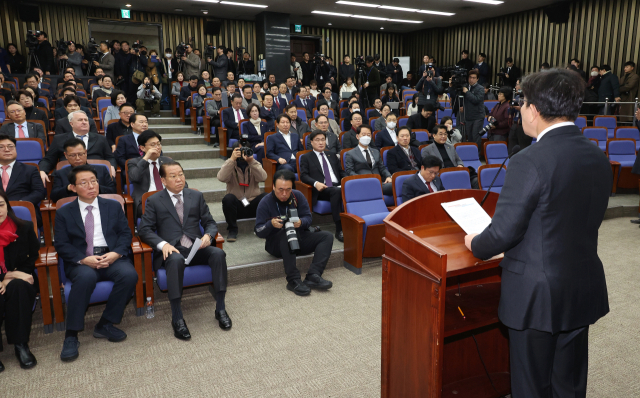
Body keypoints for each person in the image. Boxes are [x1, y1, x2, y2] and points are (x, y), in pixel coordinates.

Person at [463, 68, 611, 398]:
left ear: (535, 109)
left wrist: (475, 242)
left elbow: (502, 234)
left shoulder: (529, 160)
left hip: (536, 295)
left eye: (523, 102)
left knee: (532, 386)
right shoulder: (598, 157)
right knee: (569, 384)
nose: (520, 110)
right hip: (581, 284)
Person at [54, 164, 138, 362]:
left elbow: (125, 234)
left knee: (129, 275)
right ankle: (71, 335)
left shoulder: (113, 205)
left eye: (94, 181)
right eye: (84, 183)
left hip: (111, 256)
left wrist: (116, 253)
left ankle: (106, 323)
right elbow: (61, 244)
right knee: (85, 278)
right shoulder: (65, 212)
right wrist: (84, 259)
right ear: (73, 188)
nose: (91, 186)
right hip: (82, 261)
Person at [139, 161, 231, 339]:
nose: (179, 179)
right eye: (173, 176)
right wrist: (163, 244)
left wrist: (208, 236)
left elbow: (210, 222)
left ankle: (220, 308)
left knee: (218, 253)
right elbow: (144, 230)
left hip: (196, 247)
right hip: (172, 250)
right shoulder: (154, 200)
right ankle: (177, 317)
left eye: (180, 174)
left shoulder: (195, 196)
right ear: (163, 180)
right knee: (175, 260)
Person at [255, 169, 334, 296]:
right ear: (274, 186)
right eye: (281, 189)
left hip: (298, 238)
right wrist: (271, 224)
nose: (284, 193)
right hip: (276, 243)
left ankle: (313, 275)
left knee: (327, 236)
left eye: (288, 189)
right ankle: (293, 280)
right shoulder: (265, 202)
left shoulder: (298, 196)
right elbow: (258, 230)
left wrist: (301, 222)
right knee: (287, 232)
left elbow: (308, 218)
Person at [0, 191, 41, 370]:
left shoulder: (23, 227)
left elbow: (32, 256)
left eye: (1, 205)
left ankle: (20, 344)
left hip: (21, 276)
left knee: (18, 287)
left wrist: (13, 276)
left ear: (7, 206)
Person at [41, 111, 116, 186]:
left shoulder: (100, 138)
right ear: (71, 124)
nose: (84, 122)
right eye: (80, 120)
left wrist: (111, 166)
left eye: (86, 120)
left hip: (97, 174)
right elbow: (49, 159)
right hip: (69, 175)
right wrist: (42, 170)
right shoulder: (59, 139)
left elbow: (110, 157)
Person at [299, 130, 345, 242]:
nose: (321, 142)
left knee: (347, 189)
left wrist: (347, 181)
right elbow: (303, 176)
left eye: (323, 140)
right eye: (317, 140)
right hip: (322, 188)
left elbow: (341, 171)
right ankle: (339, 229)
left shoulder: (332, 155)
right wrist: (316, 183)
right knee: (336, 192)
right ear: (311, 142)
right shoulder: (306, 157)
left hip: (337, 186)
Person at [217, 142, 267, 242]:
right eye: (239, 151)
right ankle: (232, 229)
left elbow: (263, 177)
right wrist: (231, 160)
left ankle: (260, 227)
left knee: (266, 197)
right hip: (237, 207)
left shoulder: (254, 163)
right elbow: (221, 177)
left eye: (245, 150)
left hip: (252, 204)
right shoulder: (230, 164)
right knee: (228, 199)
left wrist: (251, 161)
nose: (242, 153)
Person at [51, 139, 116, 202]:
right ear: (66, 155)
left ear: (85, 152)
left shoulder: (102, 169)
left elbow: (113, 191)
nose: (77, 158)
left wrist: (94, 186)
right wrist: (69, 188)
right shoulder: (61, 173)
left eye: (80, 154)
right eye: (73, 155)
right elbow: (54, 196)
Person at [0, 134, 46, 220]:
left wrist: (21, 204)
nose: (7, 150)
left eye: (10, 147)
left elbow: (39, 192)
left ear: (16, 150)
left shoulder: (30, 170)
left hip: (23, 213)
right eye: (1, 147)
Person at [126, 131, 172, 216]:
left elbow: (182, 182)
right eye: (153, 145)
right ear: (142, 148)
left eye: (158, 144)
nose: (157, 147)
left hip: (169, 197)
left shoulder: (168, 161)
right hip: (147, 200)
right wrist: (146, 157)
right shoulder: (134, 162)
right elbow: (134, 177)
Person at [344, 125, 393, 196]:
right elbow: (349, 171)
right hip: (362, 183)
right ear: (357, 136)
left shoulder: (376, 152)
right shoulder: (351, 153)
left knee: (396, 185)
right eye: (363, 134)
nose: (366, 137)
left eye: (368, 134)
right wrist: (362, 179)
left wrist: (388, 176)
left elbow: (382, 168)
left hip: (378, 182)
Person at [458, 69, 486, 152]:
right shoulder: (465, 86)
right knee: (469, 137)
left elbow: (476, 100)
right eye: (470, 77)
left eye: (474, 78)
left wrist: (467, 92)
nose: (471, 79)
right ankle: (470, 154)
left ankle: (477, 155)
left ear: (477, 79)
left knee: (475, 136)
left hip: (478, 116)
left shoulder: (480, 88)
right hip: (468, 115)